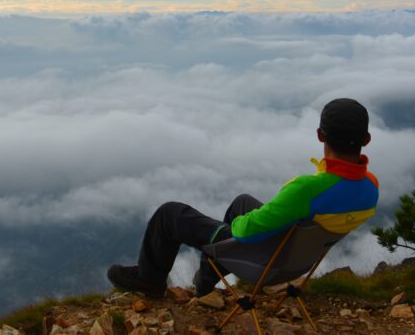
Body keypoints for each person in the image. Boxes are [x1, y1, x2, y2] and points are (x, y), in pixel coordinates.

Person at [107, 98, 379, 298]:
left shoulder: (307, 189)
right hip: (298, 262)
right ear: (366, 139)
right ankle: (206, 279)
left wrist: (235, 229)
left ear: (320, 135)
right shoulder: (370, 188)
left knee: (170, 214)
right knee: (243, 201)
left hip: (265, 262)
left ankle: (150, 281)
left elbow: (245, 232)